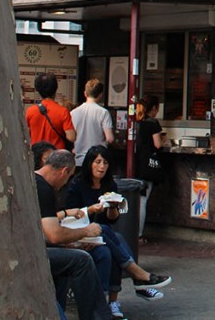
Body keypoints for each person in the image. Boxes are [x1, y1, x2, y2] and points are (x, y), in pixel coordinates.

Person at [66, 146, 172, 312]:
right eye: (98, 162)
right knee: (113, 243)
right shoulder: (77, 185)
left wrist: (112, 207)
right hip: (81, 233)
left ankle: (113, 300)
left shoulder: (109, 185)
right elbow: (71, 215)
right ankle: (136, 278)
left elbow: (112, 219)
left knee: (112, 242)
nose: (101, 167)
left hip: (102, 234)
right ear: (89, 163)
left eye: (105, 163)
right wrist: (91, 209)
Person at [35, 149, 113, 320]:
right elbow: (54, 234)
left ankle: (58, 311)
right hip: (30, 254)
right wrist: (85, 231)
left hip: (31, 247)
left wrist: (67, 242)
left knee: (66, 264)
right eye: (67, 178)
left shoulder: (32, 180)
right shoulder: (44, 188)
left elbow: (43, 231)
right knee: (82, 260)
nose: (65, 184)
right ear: (65, 171)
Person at [136, 95, 167, 243]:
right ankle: (139, 234)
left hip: (137, 163)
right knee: (142, 200)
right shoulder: (153, 123)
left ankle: (134, 232)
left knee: (137, 199)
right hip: (148, 165)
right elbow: (157, 144)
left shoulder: (137, 121)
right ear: (154, 108)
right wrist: (163, 140)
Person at [26, 72, 77, 150]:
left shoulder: (30, 111)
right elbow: (71, 137)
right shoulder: (63, 111)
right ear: (56, 88)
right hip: (56, 156)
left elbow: (26, 135)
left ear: (38, 90)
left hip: (37, 156)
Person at [71, 79, 115, 167]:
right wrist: (102, 143)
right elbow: (110, 138)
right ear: (100, 95)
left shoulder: (73, 113)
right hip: (97, 160)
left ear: (85, 93)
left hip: (78, 160)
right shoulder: (103, 112)